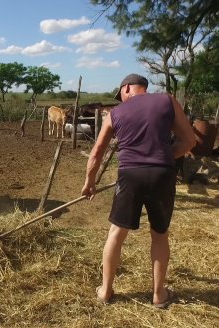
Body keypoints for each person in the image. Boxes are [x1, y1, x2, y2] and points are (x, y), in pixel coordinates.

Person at [81, 73, 196, 308]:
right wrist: (161, 157)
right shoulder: (167, 100)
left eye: (120, 95)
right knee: (159, 235)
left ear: (126, 89)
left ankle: (105, 291)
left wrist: (89, 182)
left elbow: (96, 153)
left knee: (116, 233)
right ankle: (158, 295)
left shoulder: (115, 113)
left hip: (129, 175)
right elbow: (190, 141)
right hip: (162, 175)